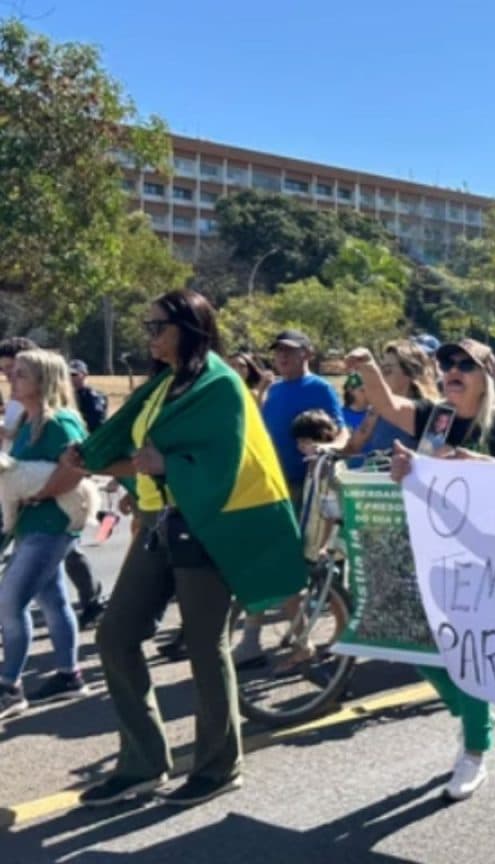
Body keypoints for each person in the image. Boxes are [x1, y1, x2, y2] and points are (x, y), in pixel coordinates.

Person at [79, 289, 303, 808]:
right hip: (163, 520)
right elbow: (135, 447)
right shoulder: (162, 384)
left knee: (205, 645)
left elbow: (219, 466)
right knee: (115, 635)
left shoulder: (220, 384)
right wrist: (94, 458)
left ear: (190, 327)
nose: (150, 335)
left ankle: (219, 766)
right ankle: (143, 763)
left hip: (212, 524)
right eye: (147, 325)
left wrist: (162, 465)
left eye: (158, 325)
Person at [349, 337, 495, 801]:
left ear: (487, 375)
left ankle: (474, 749)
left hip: (482, 556)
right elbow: (390, 405)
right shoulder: (439, 419)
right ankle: (471, 710)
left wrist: (473, 464)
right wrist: (369, 368)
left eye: (465, 365)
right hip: (429, 548)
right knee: (406, 638)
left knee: (465, 652)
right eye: (447, 363)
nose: (452, 371)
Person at [0, 349, 90, 717]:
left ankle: (9, 688)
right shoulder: (26, 421)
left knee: (9, 602)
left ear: (43, 380)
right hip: (32, 525)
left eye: (20, 374)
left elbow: (80, 468)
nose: (11, 378)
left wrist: (41, 492)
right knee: (52, 600)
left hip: (51, 526)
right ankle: (70, 676)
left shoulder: (60, 422)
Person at [261, 329, 344, 501]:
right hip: (273, 480)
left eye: (289, 350)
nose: (283, 356)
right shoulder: (273, 390)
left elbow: (341, 431)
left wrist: (329, 449)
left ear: (306, 353)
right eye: (279, 351)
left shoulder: (320, 388)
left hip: (306, 481)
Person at [338, 340, 435, 465]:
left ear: (410, 373)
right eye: (381, 370)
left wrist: (367, 364)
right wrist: (328, 449)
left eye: (387, 370)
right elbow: (352, 446)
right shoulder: (375, 411)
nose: (382, 377)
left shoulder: (429, 412)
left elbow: (432, 463)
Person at [65, 359, 108, 626]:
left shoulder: (91, 398)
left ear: (85, 375)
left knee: (68, 543)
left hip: (80, 465)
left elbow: (96, 430)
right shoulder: (66, 396)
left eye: (76, 374)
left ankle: (92, 598)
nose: (72, 378)